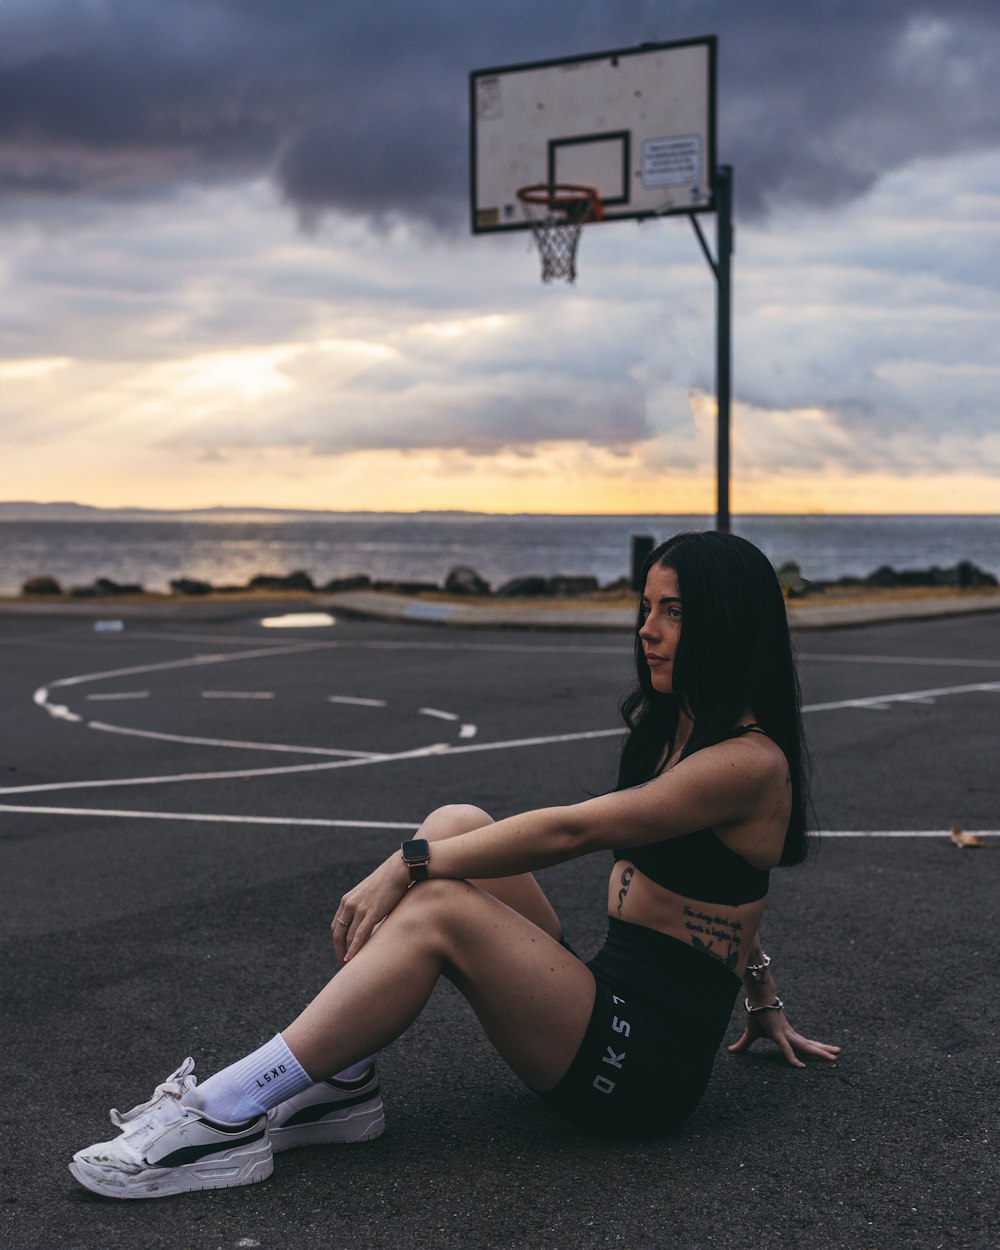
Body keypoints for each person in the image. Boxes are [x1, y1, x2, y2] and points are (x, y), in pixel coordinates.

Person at [70, 531, 840, 1199]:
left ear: (728, 624)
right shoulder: (680, 728)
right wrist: (764, 998)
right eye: (645, 607)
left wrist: (409, 864)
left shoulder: (745, 762)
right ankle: (341, 1087)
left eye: (675, 611)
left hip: (641, 1073)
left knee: (440, 899)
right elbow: (725, 897)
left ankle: (224, 1115)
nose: (648, 630)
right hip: (610, 997)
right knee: (457, 823)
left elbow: (573, 831)